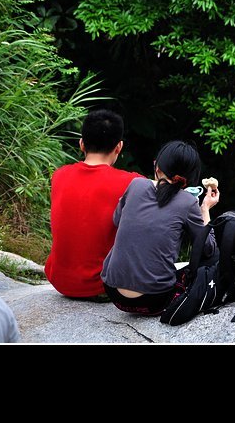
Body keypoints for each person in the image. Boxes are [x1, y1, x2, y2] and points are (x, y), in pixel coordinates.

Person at [101, 140, 220, 315]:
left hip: (113, 292)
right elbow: (209, 248)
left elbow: (117, 220)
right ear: (189, 180)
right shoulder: (188, 202)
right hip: (154, 300)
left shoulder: (136, 184)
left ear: (157, 167)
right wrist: (205, 209)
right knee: (209, 262)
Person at [45, 109, 145, 300]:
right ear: (119, 147)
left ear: (81, 144)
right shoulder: (133, 183)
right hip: (100, 286)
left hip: (60, 281)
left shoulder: (59, 175)